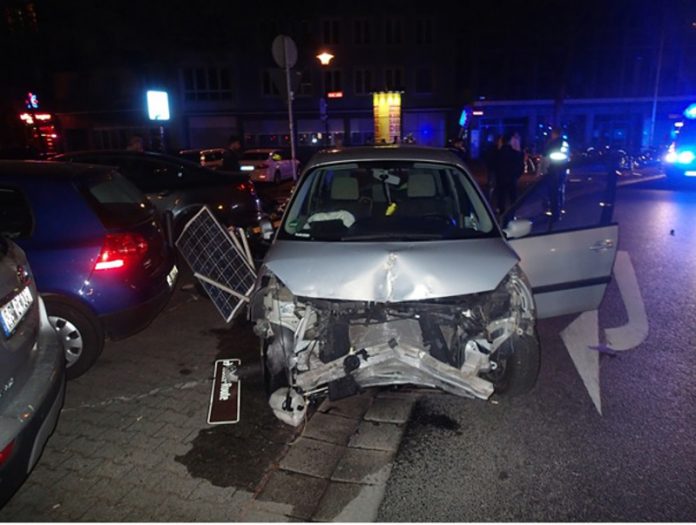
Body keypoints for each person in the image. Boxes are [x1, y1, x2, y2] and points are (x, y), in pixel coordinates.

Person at [540, 127, 570, 220]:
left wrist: (542, 169)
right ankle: (559, 209)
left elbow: (545, 154)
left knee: (552, 191)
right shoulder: (565, 143)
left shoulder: (552, 143)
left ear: (554, 133)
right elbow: (568, 155)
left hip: (553, 170)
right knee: (560, 190)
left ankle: (554, 212)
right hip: (563, 169)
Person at [494, 132, 524, 214]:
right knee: (513, 196)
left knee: (501, 196)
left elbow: (493, 164)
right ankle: (513, 211)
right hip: (512, 178)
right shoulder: (515, 153)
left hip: (501, 178)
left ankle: (501, 212)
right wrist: (517, 175)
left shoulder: (498, 153)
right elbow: (520, 165)